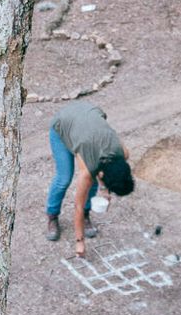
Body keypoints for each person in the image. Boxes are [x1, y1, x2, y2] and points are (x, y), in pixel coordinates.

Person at [45, 100, 136, 257]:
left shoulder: (123, 154)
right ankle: (52, 216)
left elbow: (105, 172)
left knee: (93, 179)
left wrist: (104, 189)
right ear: (103, 174)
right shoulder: (88, 170)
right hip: (62, 125)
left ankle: (88, 215)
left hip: (88, 118)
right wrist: (79, 242)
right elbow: (77, 206)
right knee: (64, 178)